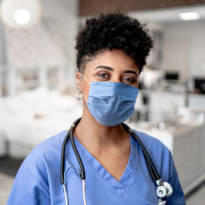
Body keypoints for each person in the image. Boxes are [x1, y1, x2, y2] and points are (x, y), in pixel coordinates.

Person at [7, 12, 185, 205]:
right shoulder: (43, 163)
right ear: (79, 82)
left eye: (128, 79)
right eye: (103, 75)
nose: (116, 86)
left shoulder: (157, 154)